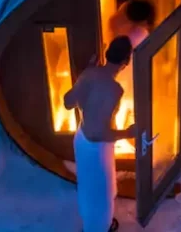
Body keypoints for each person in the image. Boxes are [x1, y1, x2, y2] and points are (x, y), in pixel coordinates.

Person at [63, 36, 136, 232]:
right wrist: (127, 132)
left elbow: (68, 102)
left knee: (89, 187)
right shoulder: (114, 90)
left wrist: (85, 76)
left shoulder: (89, 74)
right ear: (126, 62)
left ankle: (94, 225)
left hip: (81, 139)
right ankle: (98, 228)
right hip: (96, 147)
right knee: (100, 194)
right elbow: (99, 133)